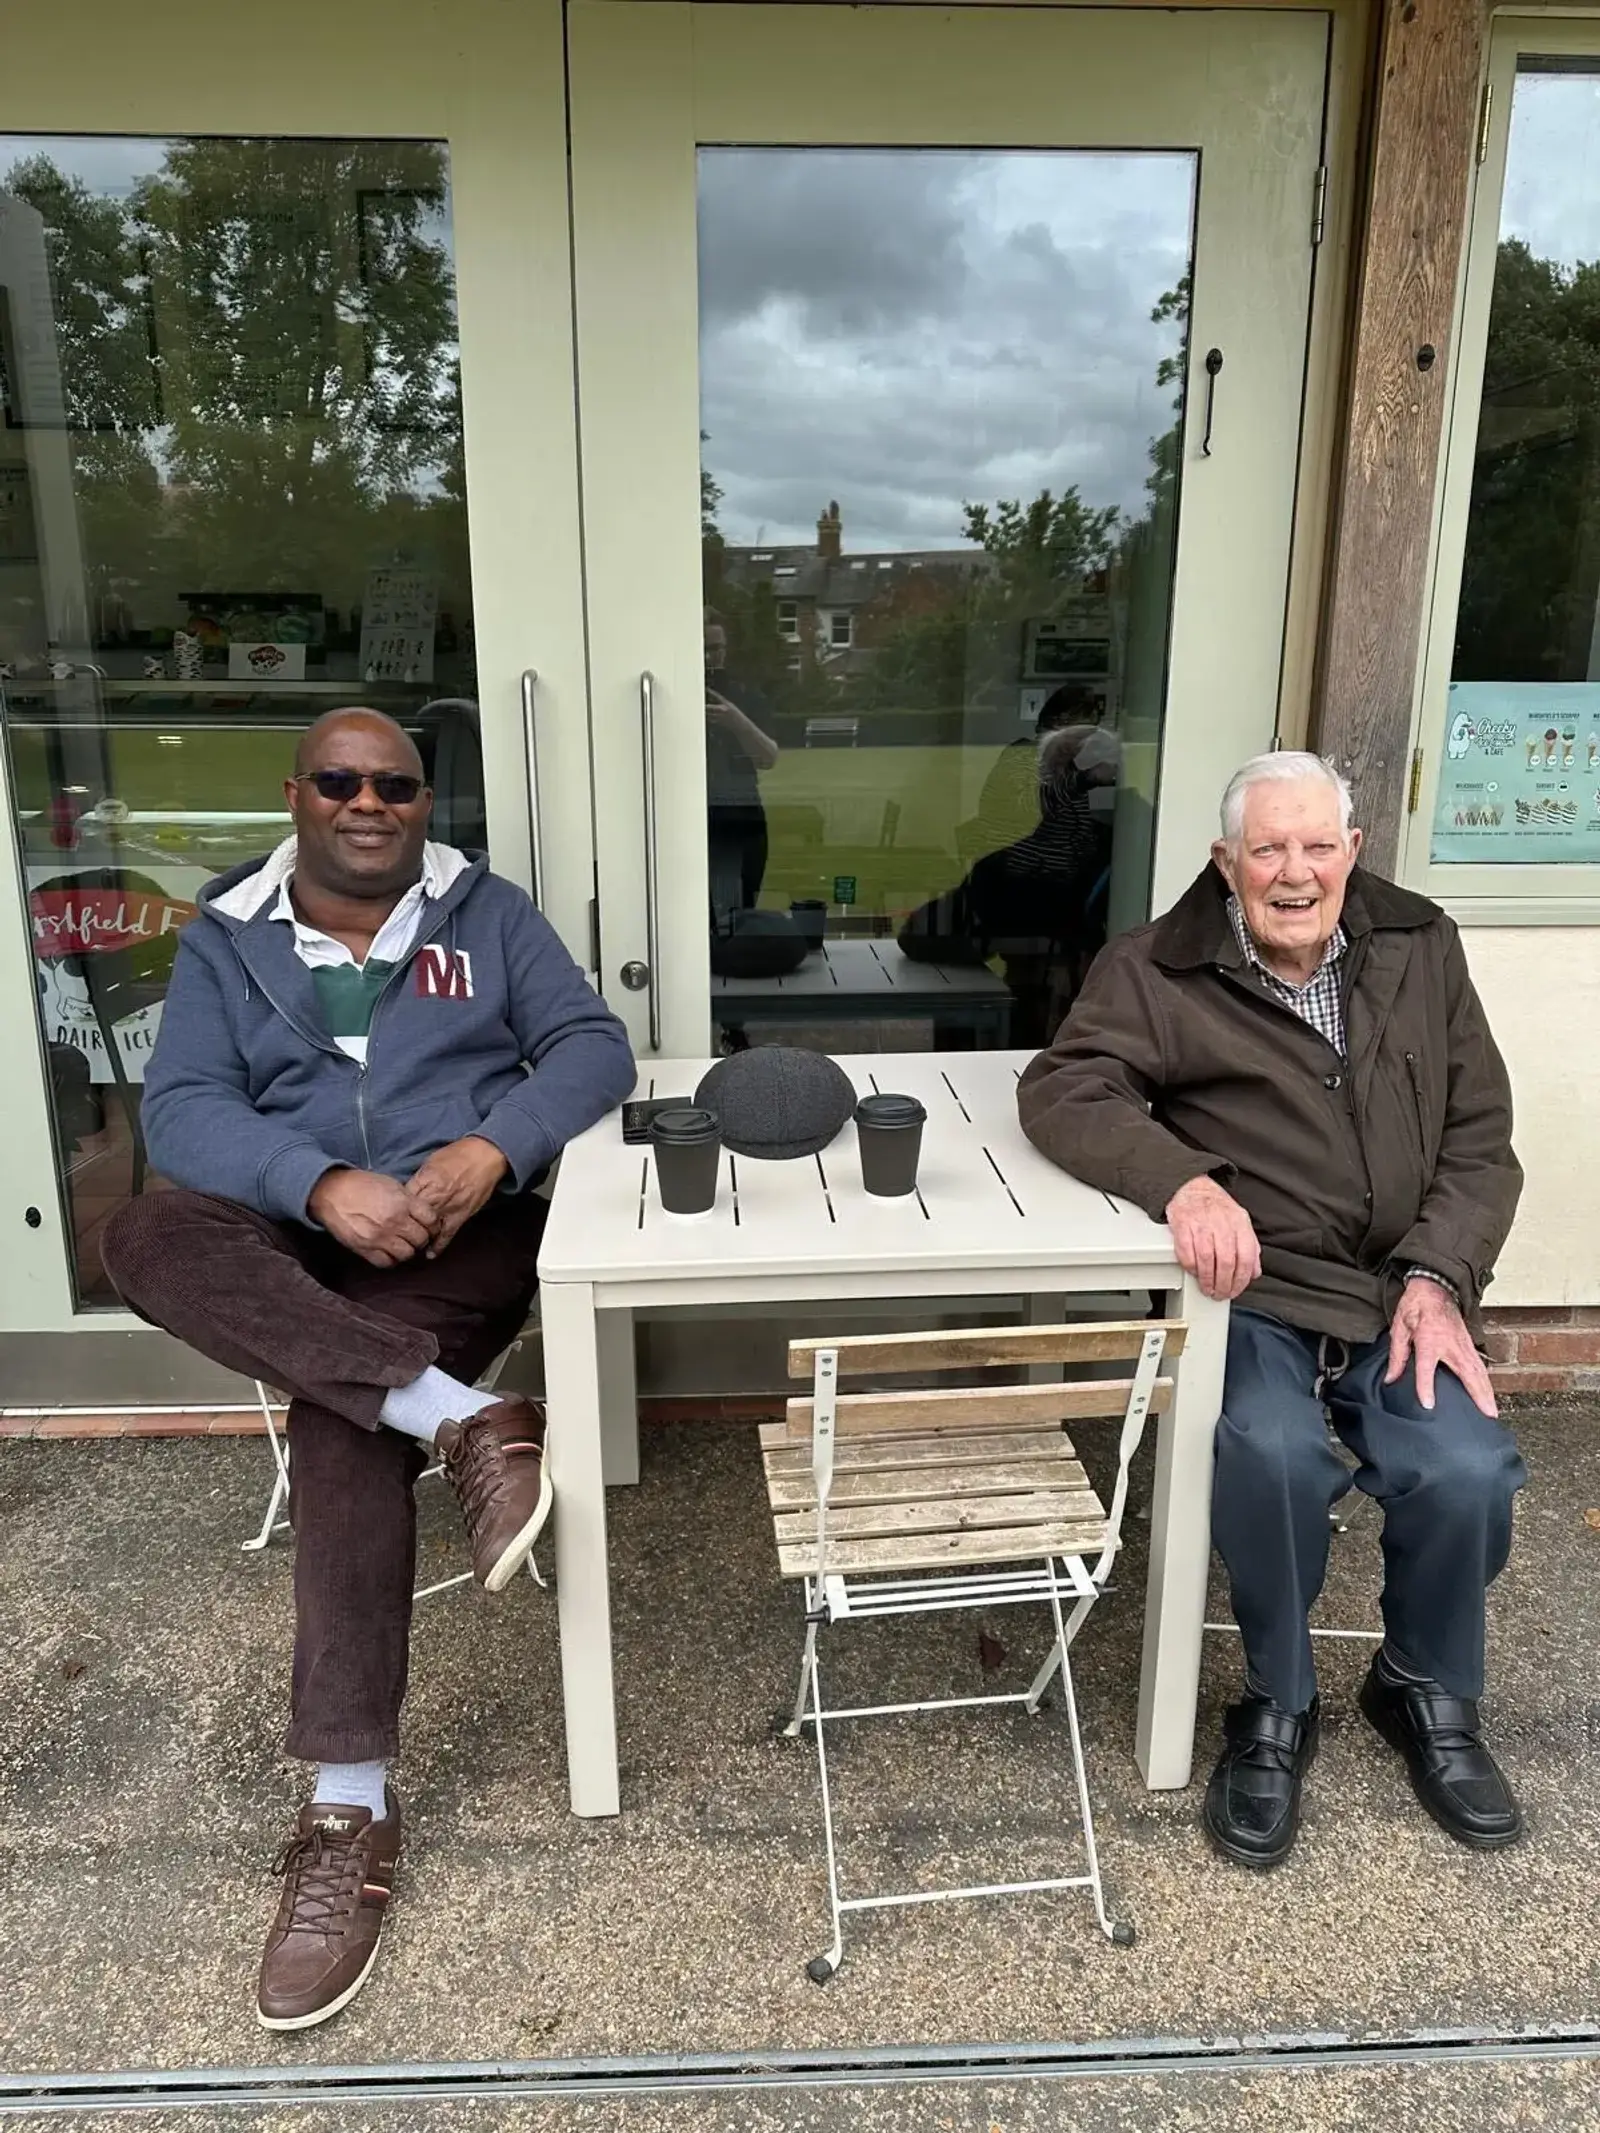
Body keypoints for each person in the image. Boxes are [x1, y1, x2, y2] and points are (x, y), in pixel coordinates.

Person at [100, 708, 634, 2029]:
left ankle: (347, 1807)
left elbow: (592, 1047)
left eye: (395, 784)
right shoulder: (227, 934)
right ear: (295, 796)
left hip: (455, 1236)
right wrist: (317, 1180)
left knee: (340, 1424)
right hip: (291, 1231)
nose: (368, 802)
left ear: (422, 803)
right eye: (340, 780)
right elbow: (182, 1111)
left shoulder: (485, 914)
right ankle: (458, 1416)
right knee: (142, 1232)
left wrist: (490, 1151)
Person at [1017, 751, 1526, 1869]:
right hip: (1257, 1293)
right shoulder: (1155, 965)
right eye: (1268, 850)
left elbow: (1480, 1136)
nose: (1295, 873)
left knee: (1467, 1469)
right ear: (1225, 860)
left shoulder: (1421, 943)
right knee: (1273, 1458)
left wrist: (1439, 1275)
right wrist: (1183, 1183)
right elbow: (1065, 1088)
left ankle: (1421, 1682)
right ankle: (1277, 1700)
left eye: (1317, 846)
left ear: (1352, 851)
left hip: (1401, 1287)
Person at [703, 608, 780, 925]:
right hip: (692, 815)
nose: (709, 658)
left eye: (715, 649)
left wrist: (736, 721)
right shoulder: (673, 692)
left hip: (741, 812)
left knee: (741, 917)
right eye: (701, 649)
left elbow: (769, 757)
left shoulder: (745, 695)